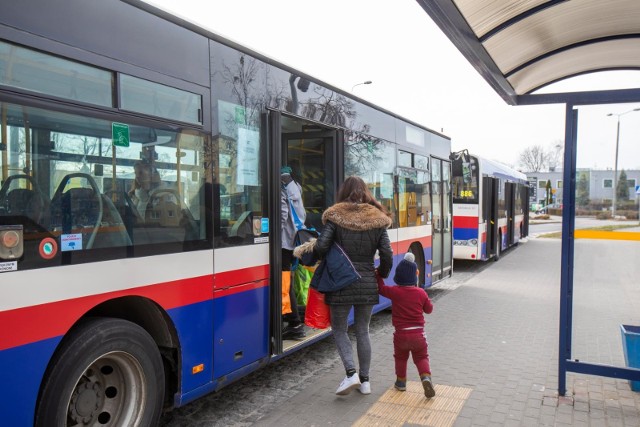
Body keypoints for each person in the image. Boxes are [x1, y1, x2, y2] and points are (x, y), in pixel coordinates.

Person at [313, 176, 393, 396]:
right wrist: (381, 274)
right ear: (366, 193)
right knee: (363, 330)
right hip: (367, 281)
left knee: (339, 329)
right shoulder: (377, 219)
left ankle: (351, 374)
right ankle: (365, 381)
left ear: (343, 192)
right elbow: (387, 253)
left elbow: (320, 248)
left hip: (340, 282)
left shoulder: (335, 216)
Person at [377, 252, 435, 398]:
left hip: (401, 334)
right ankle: (425, 378)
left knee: (401, 358)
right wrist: (424, 298)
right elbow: (429, 310)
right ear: (414, 276)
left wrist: (377, 274)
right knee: (421, 357)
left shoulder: (395, 292)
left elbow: (381, 288)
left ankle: (401, 383)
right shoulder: (421, 293)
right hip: (418, 335)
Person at [280, 165, 306, 340]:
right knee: (286, 282)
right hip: (292, 243)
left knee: (284, 284)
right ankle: (291, 319)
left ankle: (294, 322)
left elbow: (282, 215)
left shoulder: (282, 190)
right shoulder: (296, 188)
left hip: (283, 243)